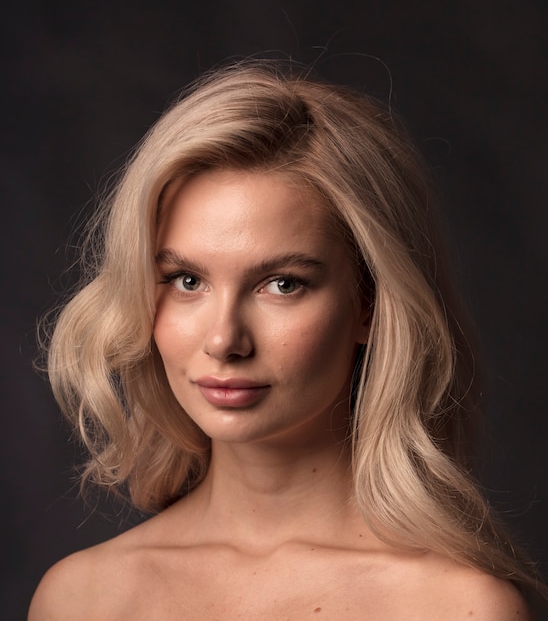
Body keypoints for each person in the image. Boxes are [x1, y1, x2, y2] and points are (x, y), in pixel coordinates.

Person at [29, 60, 545, 620]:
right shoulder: (80, 599)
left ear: (369, 303)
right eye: (187, 281)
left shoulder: (455, 607)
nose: (225, 340)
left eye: (283, 284)